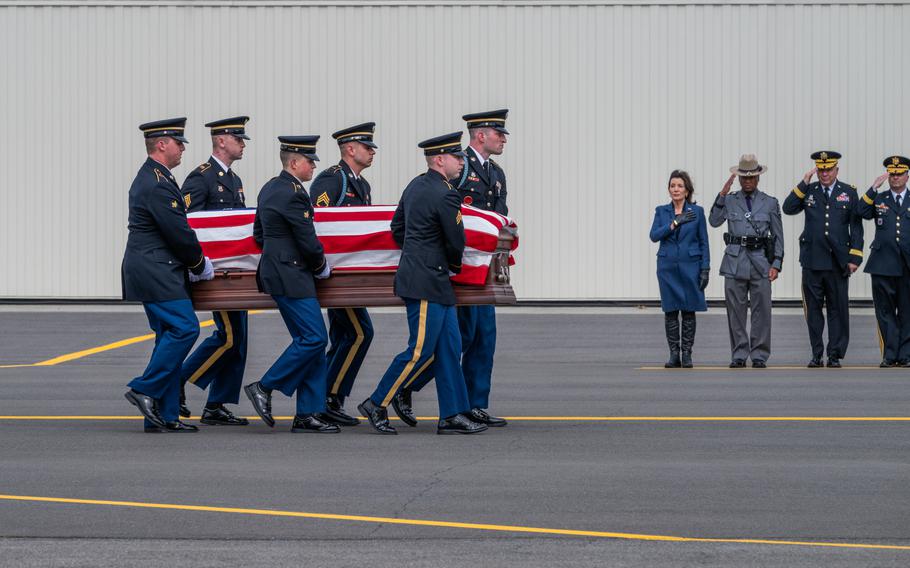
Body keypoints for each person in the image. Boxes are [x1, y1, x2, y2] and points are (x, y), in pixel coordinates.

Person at [357, 132, 487, 435]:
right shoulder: (446, 193)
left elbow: (397, 227)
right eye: (457, 157)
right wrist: (446, 262)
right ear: (440, 160)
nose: (462, 162)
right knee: (419, 349)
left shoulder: (415, 185)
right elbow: (457, 241)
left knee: (449, 348)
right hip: (428, 281)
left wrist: (417, 252)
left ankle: (453, 414)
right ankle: (376, 402)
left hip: (427, 278)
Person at [392, 110, 510, 428]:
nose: (503, 138)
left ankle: (475, 404)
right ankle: (407, 386)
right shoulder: (457, 168)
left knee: (484, 335)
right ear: (480, 134)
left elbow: (499, 218)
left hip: (482, 266)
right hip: (455, 266)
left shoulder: (496, 173)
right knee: (457, 337)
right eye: (498, 132)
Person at [122, 117, 214, 433]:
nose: (183, 148)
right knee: (186, 328)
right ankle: (145, 388)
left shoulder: (157, 178)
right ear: (162, 144)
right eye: (179, 142)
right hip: (156, 270)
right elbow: (178, 232)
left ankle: (165, 414)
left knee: (167, 336)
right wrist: (200, 263)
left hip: (155, 268)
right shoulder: (157, 183)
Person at [242, 136, 339, 433]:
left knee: (309, 341)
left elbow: (259, 234)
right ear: (294, 162)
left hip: (280, 271)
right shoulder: (294, 193)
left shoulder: (271, 187)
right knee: (314, 339)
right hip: (292, 274)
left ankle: (309, 413)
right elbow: (306, 239)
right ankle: (265, 386)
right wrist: (321, 265)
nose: (313, 166)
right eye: (309, 161)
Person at [177, 116, 252, 425]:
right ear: (221, 140)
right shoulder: (201, 178)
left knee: (240, 338)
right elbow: (190, 226)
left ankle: (217, 404)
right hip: (213, 272)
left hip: (234, 273)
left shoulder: (234, 181)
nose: (243, 143)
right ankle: (174, 380)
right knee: (229, 337)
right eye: (238, 138)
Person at [308, 122, 377, 427]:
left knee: (344, 336)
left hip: (351, 277)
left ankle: (323, 399)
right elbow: (318, 223)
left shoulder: (361, 185)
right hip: (334, 275)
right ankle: (328, 397)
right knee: (360, 333)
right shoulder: (332, 180)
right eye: (367, 146)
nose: (372, 151)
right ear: (350, 149)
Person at [783, 151, 864, 368]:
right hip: (812, 261)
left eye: (828, 169)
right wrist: (804, 182)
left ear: (837, 169)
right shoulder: (808, 191)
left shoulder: (848, 192)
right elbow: (788, 207)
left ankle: (835, 354)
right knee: (814, 311)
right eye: (821, 169)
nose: (824, 173)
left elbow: (856, 227)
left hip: (838, 262)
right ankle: (817, 353)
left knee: (837, 310)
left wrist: (855, 256)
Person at [709, 154, 784, 368]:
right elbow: (714, 221)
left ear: (758, 178)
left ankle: (759, 355)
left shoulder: (770, 203)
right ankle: (739, 353)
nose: (748, 181)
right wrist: (721, 195)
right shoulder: (730, 199)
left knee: (762, 312)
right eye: (744, 177)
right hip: (734, 262)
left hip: (761, 262)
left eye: (752, 177)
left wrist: (776, 263)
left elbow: (778, 236)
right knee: (736, 312)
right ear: (739, 178)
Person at [649, 170, 710, 368]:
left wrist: (705, 268)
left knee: (689, 309)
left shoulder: (697, 212)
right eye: (673, 186)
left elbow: (704, 242)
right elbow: (654, 235)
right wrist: (675, 223)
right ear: (669, 189)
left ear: (687, 190)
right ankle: (674, 354)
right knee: (671, 311)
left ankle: (687, 353)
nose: (676, 189)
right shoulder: (661, 211)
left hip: (690, 266)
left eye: (680, 186)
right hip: (667, 267)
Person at [856, 156, 910, 367]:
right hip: (882, 264)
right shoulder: (880, 198)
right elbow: (860, 211)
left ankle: (906, 354)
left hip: (907, 266)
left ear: (907, 175)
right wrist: (873, 188)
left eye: (899, 174)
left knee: (907, 312)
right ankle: (890, 354)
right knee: (885, 312)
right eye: (892, 174)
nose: (895, 178)